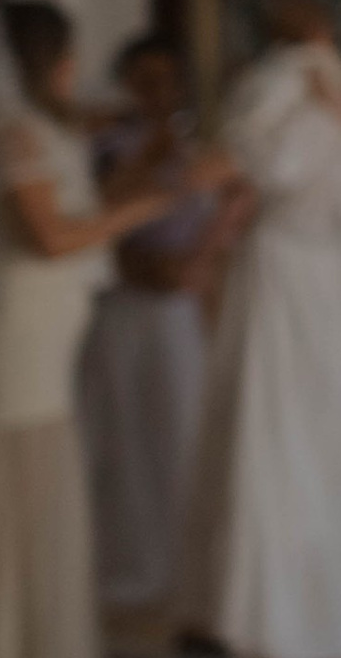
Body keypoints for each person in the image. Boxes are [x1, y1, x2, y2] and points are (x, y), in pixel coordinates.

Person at [0, 0, 173, 658]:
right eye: (70, 56)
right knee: (17, 504)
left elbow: (80, 202)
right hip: (10, 338)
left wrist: (151, 179)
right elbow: (54, 237)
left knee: (37, 496)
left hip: (34, 338)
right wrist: (150, 209)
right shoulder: (11, 132)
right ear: (48, 62)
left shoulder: (35, 130)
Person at [178, 0, 341, 658]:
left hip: (285, 289)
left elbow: (245, 164)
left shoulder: (282, 109)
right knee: (327, 464)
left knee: (272, 457)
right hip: (329, 289)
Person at [78, 34, 239, 612]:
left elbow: (226, 216)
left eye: (165, 79)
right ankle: (129, 560)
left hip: (182, 307)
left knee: (183, 430)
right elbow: (95, 213)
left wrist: (199, 269)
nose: (155, 91)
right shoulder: (107, 143)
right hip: (126, 300)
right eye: (142, 79)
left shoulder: (202, 148)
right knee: (123, 435)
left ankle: (186, 563)